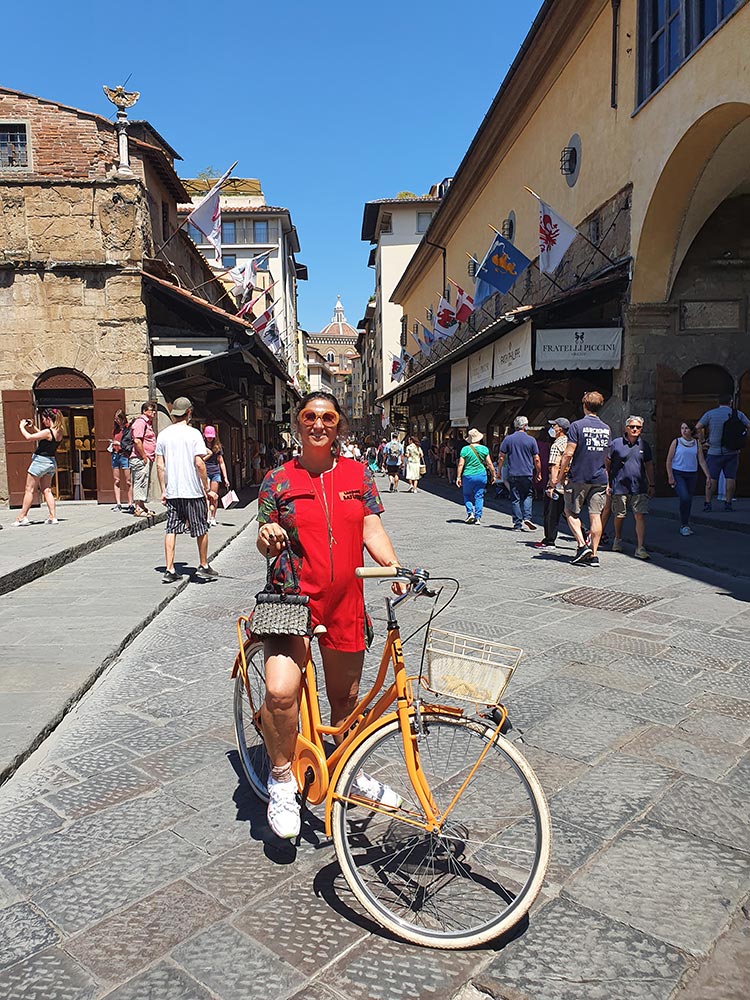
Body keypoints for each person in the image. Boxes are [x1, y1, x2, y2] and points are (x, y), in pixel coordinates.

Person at [256, 391, 405, 839]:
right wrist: (267, 534)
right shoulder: (277, 480)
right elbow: (264, 539)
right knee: (281, 693)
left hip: (345, 602)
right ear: (298, 424)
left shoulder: (359, 475)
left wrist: (391, 566)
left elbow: (369, 524)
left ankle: (348, 769)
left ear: (338, 425)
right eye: (309, 417)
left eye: (327, 417)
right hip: (291, 600)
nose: (318, 424)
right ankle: (281, 779)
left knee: (347, 699)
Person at [155, 396, 217, 584]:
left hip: (173, 491)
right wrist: (207, 487)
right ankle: (204, 564)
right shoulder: (194, 434)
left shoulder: (163, 434)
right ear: (189, 412)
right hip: (193, 491)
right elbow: (199, 463)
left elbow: (159, 465)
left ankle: (169, 568)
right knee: (201, 528)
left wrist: (163, 490)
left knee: (171, 529)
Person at [558, 391, 612, 567]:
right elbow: (606, 457)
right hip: (599, 477)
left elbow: (568, 453)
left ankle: (582, 545)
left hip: (579, 476)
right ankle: (594, 555)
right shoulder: (606, 428)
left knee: (570, 511)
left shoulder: (577, 426)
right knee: (595, 516)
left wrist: (559, 476)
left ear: (584, 405)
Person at [606, 415, 655, 560]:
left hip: (639, 486)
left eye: (638, 427)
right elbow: (607, 464)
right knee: (619, 515)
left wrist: (651, 483)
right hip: (619, 486)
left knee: (640, 515)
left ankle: (640, 547)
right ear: (626, 428)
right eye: (632, 427)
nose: (635, 429)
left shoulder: (644, 445)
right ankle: (617, 538)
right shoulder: (616, 444)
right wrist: (608, 483)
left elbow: (649, 465)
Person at [696, 393, 749, 512]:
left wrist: (703, 441)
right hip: (732, 451)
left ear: (718, 402)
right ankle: (728, 503)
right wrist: (744, 438)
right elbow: (748, 425)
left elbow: (698, 427)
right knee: (730, 477)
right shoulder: (738, 414)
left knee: (711, 478)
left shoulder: (710, 414)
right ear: (730, 402)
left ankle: (708, 503)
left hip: (714, 451)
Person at [12, 409, 64, 526]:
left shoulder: (48, 432)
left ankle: (22, 516)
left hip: (40, 462)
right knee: (47, 490)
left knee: (29, 490)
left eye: (44, 419)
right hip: (51, 462)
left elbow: (29, 438)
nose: (43, 421)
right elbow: (44, 435)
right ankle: (53, 516)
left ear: (48, 419)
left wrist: (21, 427)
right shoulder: (59, 431)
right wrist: (34, 427)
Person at [666, 420, 710, 536]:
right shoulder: (676, 442)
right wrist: (670, 476)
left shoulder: (696, 443)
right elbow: (669, 460)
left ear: (691, 430)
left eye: (686, 428)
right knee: (684, 497)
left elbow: (701, 461)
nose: (684, 431)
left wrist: (708, 476)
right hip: (678, 473)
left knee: (689, 499)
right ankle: (683, 524)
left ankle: (685, 523)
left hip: (692, 474)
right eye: (682, 428)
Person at [497, 416, 542, 531]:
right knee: (528, 495)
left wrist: (499, 471)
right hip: (527, 472)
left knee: (515, 498)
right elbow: (536, 458)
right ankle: (527, 517)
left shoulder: (508, 439)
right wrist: (539, 472)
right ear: (525, 426)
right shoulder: (531, 440)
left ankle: (517, 524)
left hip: (513, 472)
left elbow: (501, 457)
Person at [533, 418, 570, 549]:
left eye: (554, 426)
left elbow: (554, 466)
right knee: (569, 513)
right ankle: (584, 534)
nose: (552, 428)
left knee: (551, 514)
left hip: (557, 484)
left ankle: (549, 540)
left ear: (560, 429)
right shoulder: (571, 443)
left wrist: (551, 486)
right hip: (569, 483)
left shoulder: (556, 445)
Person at [456, 428, 496, 524]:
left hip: (468, 475)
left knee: (467, 495)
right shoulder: (484, 449)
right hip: (481, 475)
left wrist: (458, 477)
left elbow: (461, 464)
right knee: (479, 496)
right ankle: (478, 517)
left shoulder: (465, 449)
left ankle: (470, 513)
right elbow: (489, 464)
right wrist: (494, 475)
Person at [130, 401, 157, 518]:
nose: (153, 413)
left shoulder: (147, 423)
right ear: (144, 411)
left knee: (144, 481)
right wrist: (144, 456)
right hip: (140, 458)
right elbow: (137, 440)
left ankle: (142, 506)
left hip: (145, 458)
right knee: (140, 481)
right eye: (151, 410)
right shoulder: (141, 423)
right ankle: (138, 508)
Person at [202, 425, 230, 527]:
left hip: (215, 473)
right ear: (204, 435)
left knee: (214, 496)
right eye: (208, 436)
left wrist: (225, 478)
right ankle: (206, 516)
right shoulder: (200, 445)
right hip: (205, 473)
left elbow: (221, 462)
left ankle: (213, 517)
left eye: (211, 436)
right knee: (206, 497)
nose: (210, 438)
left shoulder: (217, 447)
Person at [110, 409, 133, 513]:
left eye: (118, 419)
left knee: (128, 481)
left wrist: (120, 444)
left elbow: (130, 442)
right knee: (117, 480)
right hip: (115, 454)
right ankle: (118, 503)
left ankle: (130, 503)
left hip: (124, 455)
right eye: (115, 419)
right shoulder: (116, 430)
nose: (117, 421)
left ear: (123, 418)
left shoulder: (128, 429)